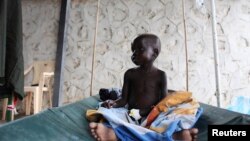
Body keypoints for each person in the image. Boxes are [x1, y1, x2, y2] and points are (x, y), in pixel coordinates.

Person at [89, 34, 198, 141]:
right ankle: (112, 133)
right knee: (105, 112)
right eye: (133, 51)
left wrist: (144, 112)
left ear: (154, 53)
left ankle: (116, 135)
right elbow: (123, 100)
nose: (135, 53)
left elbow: (163, 104)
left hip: (153, 116)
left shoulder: (161, 75)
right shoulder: (130, 74)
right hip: (130, 115)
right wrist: (113, 103)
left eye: (140, 49)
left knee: (169, 120)